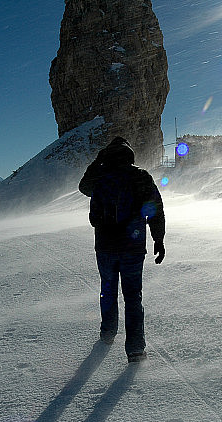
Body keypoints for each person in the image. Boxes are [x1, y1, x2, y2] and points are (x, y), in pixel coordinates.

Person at [79, 136, 165, 362]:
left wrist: (98, 160)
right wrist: (158, 239)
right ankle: (135, 349)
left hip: (105, 247)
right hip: (133, 247)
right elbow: (155, 209)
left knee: (108, 290)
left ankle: (108, 333)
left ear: (108, 156)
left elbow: (83, 186)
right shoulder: (140, 176)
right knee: (133, 296)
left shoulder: (100, 177)